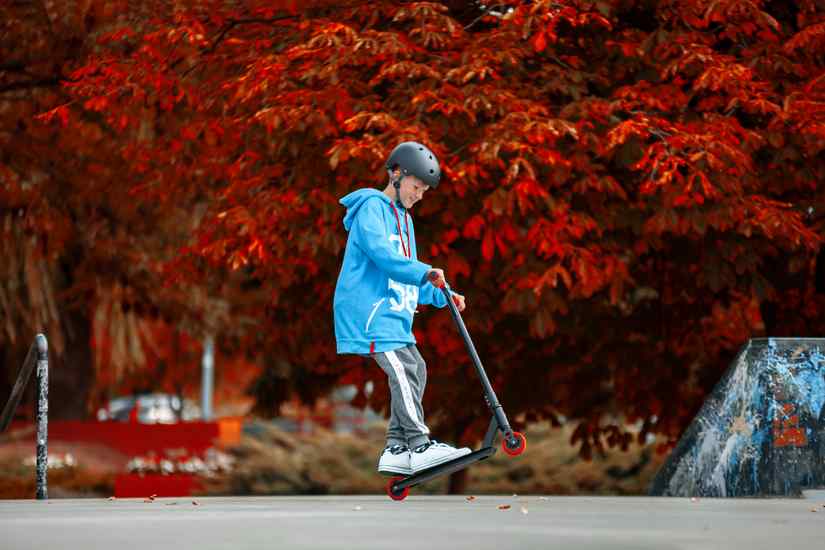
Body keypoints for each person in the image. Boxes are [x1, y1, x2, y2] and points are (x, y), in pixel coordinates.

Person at [333, 141, 471, 475]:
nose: (420, 194)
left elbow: (407, 274)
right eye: (416, 186)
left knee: (416, 369)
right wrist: (425, 271)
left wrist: (443, 294)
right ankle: (419, 444)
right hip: (370, 313)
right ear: (396, 174)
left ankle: (396, 448)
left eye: (425, 190)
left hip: (394, 317)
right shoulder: (372, 209)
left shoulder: (405, 222)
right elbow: (386, 258)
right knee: (401, 373)